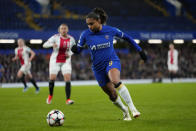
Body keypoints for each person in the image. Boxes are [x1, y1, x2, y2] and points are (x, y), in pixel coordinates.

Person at [71, 8, 147, 121]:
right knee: (112, 95)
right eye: (88, 24)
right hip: (97, 68)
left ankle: (133, 109)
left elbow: (127, 38)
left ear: (99, 21)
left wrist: (140, 51)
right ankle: (125, 111)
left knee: (115, 81)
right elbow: (79, 50)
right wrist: (74, 49)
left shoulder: (111, 30)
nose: (89, 27)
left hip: (112, 61)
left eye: (92, 24)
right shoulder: (85, 34)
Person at [43, 23, 75, 105]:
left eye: (65, 28)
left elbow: (75, 49)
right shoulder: (55, 37)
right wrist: (51, 44)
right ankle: (50, 96)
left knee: (67, 78)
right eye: (62, 28)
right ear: (59, 30)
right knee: (52, 78)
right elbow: (44, 45)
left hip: (66, 61)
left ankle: (68, 100)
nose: (64, 30)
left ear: (67, 30)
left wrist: (70, 54)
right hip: (55, 61)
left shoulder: (71, 39)